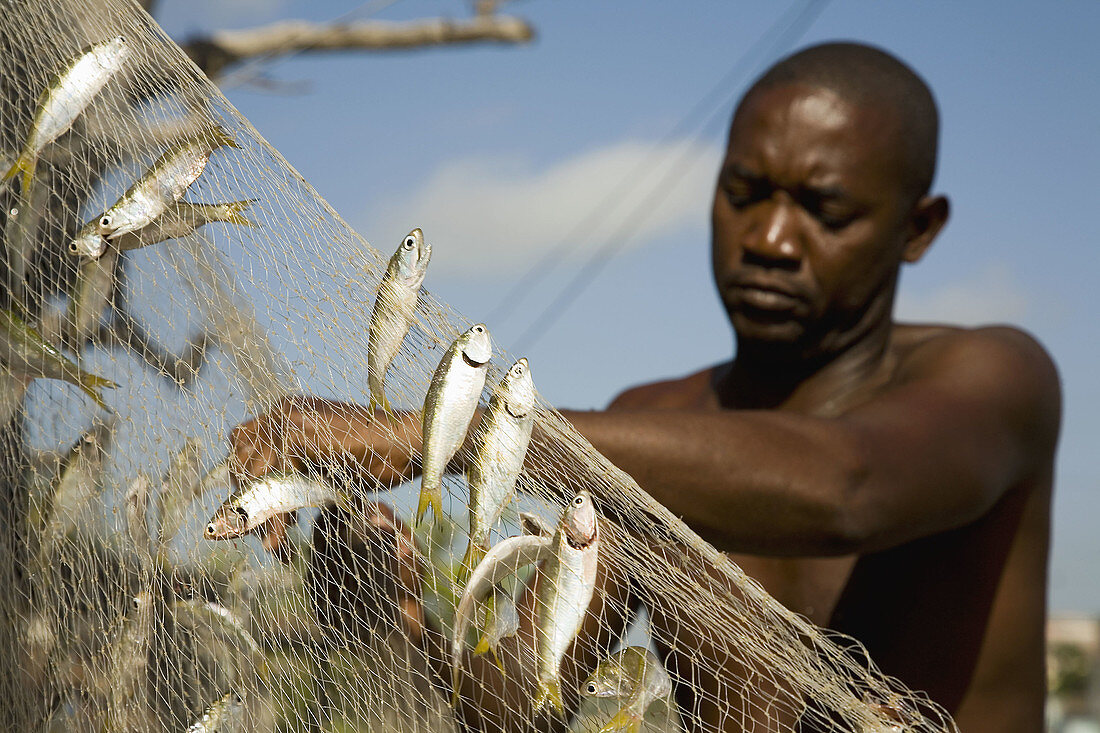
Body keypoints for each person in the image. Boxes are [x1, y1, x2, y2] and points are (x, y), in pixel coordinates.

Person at [227, 42, 1061, 733]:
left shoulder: (998, 377)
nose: (770, 237)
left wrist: (431, 435)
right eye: (743, 195)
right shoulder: (651, 429)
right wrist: (401, 615)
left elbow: (846, 486)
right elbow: (517, 708)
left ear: (918, 228)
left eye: (824, 209)